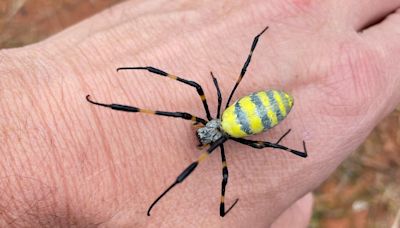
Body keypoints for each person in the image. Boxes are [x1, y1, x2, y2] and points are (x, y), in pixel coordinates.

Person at [1, 1, 399, 227]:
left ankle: (164, 192)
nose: (203, 136)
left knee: (185, 107)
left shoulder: (216, 133)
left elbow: (169, 101)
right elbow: (169, 97)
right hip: (244, 117)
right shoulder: (217, 128)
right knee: (189, 104)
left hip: (254, 114)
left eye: (206, 134)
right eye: (206, 133)